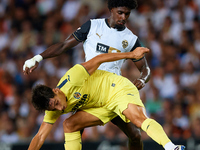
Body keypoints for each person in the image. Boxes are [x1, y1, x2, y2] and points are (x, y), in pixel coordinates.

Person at [23, 0, 150, 149]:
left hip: (112, 91)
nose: (123, 17)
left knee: (135, 135)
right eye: (120, 13)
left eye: (127, 14)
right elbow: (64, 45)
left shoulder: (131, 38)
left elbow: (145, 69)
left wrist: (143, 79)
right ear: (111, 10)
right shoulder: (93, 26)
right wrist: (38, 57)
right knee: (74, 127)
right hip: (87, 87)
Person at [26, 47, 185, 150]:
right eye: (54, 109)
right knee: (69, 124)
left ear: (55, 91)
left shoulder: (73, 77)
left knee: (137, 120)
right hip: (102, 106)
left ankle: (170, 147)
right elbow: (39, 137)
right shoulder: (52, 108)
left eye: (56, 103)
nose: (60, 109)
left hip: (116, 89)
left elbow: (99, 59)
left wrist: (131, 55)